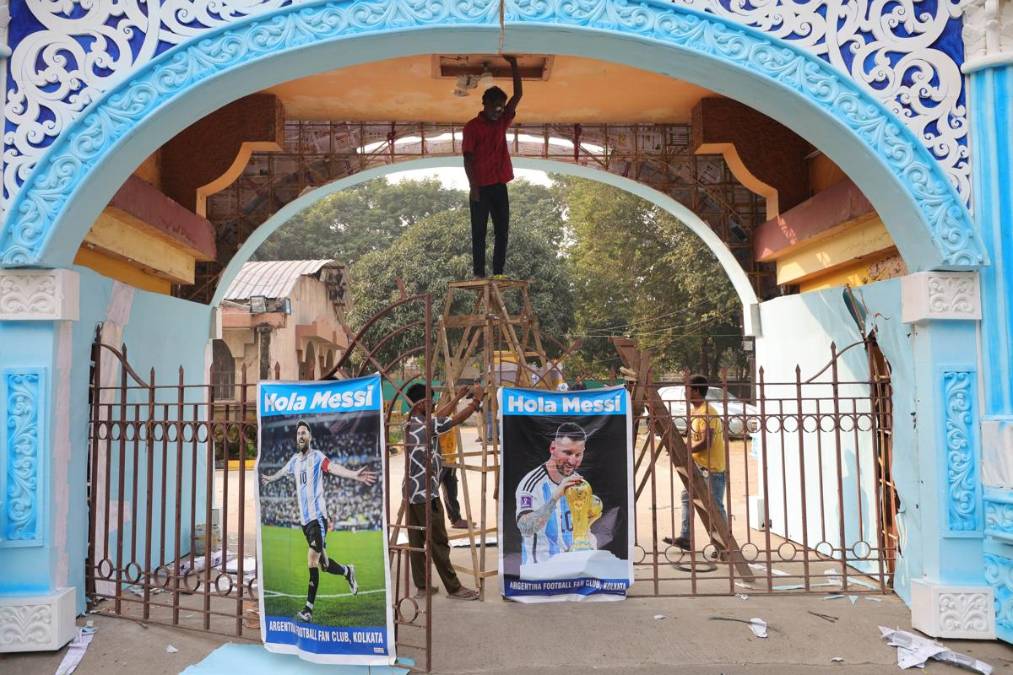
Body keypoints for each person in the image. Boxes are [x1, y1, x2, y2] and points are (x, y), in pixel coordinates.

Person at [260, 420, 378, 623]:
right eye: (298, 433)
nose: (300, 436)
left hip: (318, 518)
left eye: (304, 432)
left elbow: (333, 468)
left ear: (310, 437)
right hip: (305, 522)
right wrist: (270, 478)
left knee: (311, 559)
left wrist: (354, 475)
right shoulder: (294, 461)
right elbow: (282, 472)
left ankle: (308, 609)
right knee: (323, 564)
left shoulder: (317, 457)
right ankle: (347, 571)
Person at [404, 382, 484, 599]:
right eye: (430, 402)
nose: (433, 405)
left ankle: (423, 585)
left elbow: (439, 416)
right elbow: (451, 421)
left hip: (411, 493)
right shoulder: (427, 425)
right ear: (421, 404)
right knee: (438, 541)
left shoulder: (412, 422)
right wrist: (475, 401)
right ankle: (454, 588)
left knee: (416, 540)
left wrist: (457, 398)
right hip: (425, 494)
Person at [462, 55, 522, 278]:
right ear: (485, 105)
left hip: (498, 185)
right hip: (479, 187)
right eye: (496, 107)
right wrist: (473, 187)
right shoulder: (472, 127)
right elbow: (467, 158)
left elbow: (518, 96)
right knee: (479, 232)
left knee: (502, 231)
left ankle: (498, 272)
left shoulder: (502, 121)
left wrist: (514, 64)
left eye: (501, 107)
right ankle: (479, 273)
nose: (499, 111)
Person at [515, 423, 597, 562]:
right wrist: (555, 497)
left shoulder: (580, 485)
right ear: (553, 448)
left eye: (578, 454)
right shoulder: (532, 484)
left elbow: (583, 531)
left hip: (573, 568)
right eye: (568, 453)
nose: (572, 461)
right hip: (541, 572)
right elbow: (526, 528)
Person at [667, 374, 727, 551]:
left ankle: (725, 545)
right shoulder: (696, 411)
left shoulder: (707, 411)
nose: (684, 392)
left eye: (687, 388)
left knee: (715, 508)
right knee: (687, 498)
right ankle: (686, 537)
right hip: (698, 467)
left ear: (696, 390)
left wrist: (686, 451)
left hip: (712, 470)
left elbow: (706, 441)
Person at [437, 427, 470, 529]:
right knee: (431, 492)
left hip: (451, 458)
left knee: (451, 491)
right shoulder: (436, 415)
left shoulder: (452, 416)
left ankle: (456, 519)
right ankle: (425, 521)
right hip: (439, 460)